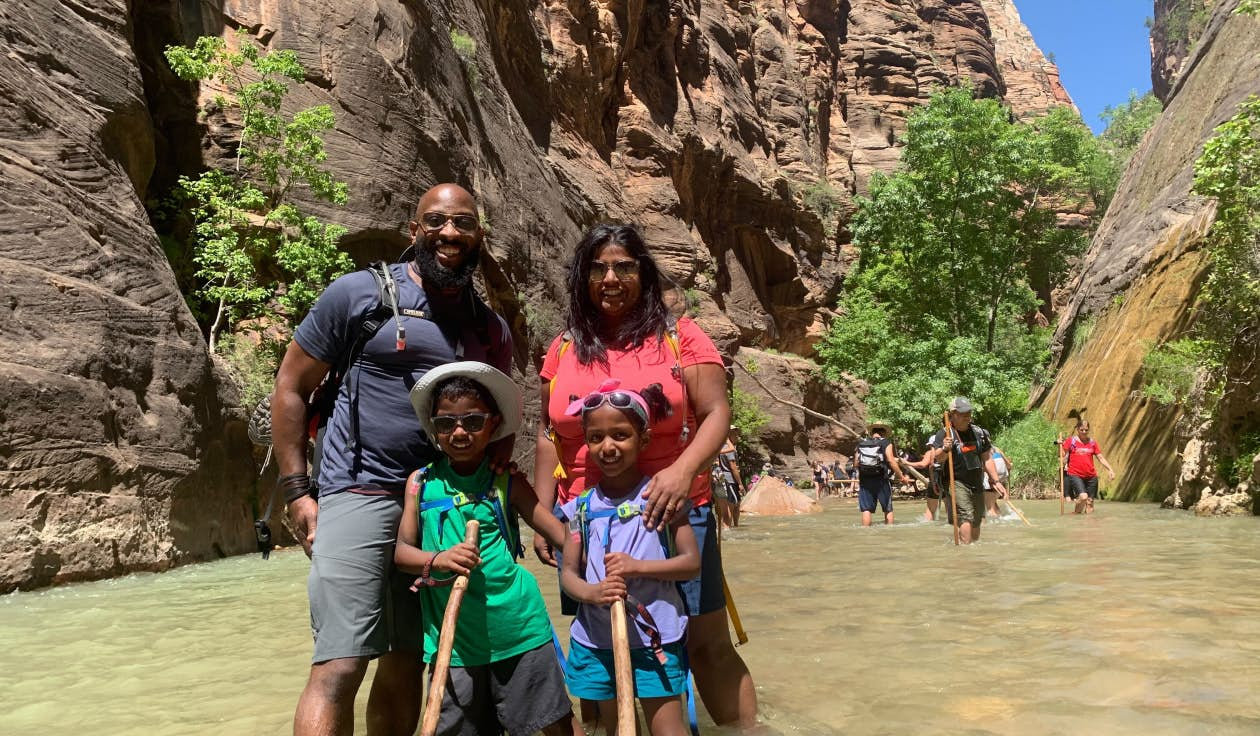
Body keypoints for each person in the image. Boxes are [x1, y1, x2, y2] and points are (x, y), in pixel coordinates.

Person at [272, 183, 512, 736]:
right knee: (340, 661)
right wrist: (297, 492)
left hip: (435, 508)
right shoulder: (358, 295)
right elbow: (290, 386)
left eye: (462, 223)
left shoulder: (488, 328)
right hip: (357, 491)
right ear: (414, 230)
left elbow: (498, 423)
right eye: (435, 221)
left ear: (479, 236)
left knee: (406, 661)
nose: (448, 233)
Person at [532, 223, 757, 727]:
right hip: (589, 522)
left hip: (675, 510)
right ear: (582, 277)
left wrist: (681, 472)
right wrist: (545, 511)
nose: (611, 278)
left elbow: (716, 412)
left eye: (625, 267)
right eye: (598, 268)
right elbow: (551, 435)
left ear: (644, 273)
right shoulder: (564, 348)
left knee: (703, 646)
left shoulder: (681, 336)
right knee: (601, 657)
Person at [396, 363, 578, 736]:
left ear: (493, 423)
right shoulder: (420, 483)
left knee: (554, 721)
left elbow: (560, 535)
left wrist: (601, 564)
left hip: (518, 629)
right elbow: (401, 553)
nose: (459, 432)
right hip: (456, 642)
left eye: (473, 422)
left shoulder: (504, 479)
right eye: (446, 424)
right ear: (434, 427)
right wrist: (438, 559)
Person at [558, 380, 701, 736]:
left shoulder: (662, 499)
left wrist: (638, 567)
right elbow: (569, 574)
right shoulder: (580, 509)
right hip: (596, 642)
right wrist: (591, 593)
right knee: (618, 729)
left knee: (669, 730)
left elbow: (690, 563)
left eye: (620, 435)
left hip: (657, 640)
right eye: (596, 438)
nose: (608, 447)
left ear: (644, 439)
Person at [929, 397, 1008, 544]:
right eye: (963, 413)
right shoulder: (945, 434)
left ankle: (972, 546)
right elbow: (937, 459)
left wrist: (995, 480)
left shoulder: (978, 433)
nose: (967, 416)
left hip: (976, 480)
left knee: (977, 519)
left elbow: (987, 459)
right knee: (966, 516)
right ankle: (966, 550)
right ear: (953, 414)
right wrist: (946, 448)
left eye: (969, 413)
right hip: (956, 481)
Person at [853, 422, 910, 526]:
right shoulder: (886, 443)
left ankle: (865, 532)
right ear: (883, 433)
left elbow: (856, 463)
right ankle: (890, 532)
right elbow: (891, 461)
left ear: (872, 432)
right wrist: (901, 477)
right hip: (881, 479)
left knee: (866, 509)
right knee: (887, 508)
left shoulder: (862, 443)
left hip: (865, 481)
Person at [1061, 421, 1115, 514]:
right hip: (1075, 474)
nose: (1084, 432)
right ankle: (1075, 514)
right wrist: (1062, 452)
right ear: (1077, 429)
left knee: (1090, 504)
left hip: (1091, 476)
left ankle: (1087, 525)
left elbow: (1100, 458)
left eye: (1086, 430)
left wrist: (1110, 469)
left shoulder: (1092, 443)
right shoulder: (1071, 441)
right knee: (1083, 497)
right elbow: (1063, 455)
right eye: (1082, 430)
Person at [712, 427, 745, 529]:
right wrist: (740, 484)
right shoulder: (728, 448)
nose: (737, 436)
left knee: (725, 507)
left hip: (718, 480)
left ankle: (731, 527)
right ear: (729, 434)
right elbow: (733, 467)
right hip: (728, 480)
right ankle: (728, 530)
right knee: (730, 508)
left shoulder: (718, 446)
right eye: (735, 434)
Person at [983, 446, 1013, 517]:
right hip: (1002, 476)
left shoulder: (981, 449)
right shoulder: (996, 448)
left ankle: (994, 522)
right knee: (992, 501)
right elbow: (1009, 465)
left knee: (989, 506)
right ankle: (999, 516)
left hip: (992, 476)